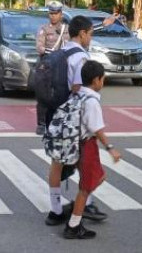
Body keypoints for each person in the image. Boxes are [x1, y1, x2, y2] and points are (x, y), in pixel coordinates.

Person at [46, 16, 107, 225]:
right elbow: (80, 88)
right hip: (73, 121)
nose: (91, 38)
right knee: (85, 163)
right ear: (82, 34)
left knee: (57, 163)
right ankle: (84, 204)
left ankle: (55, 210)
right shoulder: (80, 57)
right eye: (90, 33)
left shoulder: (62, 50)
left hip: (57, 113)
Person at [63, 61, 122, 239]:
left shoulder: (78, 93)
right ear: (96, 80)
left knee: (97, 178)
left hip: (75, 143)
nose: (102, 82)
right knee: (86, 187)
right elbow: (96, 128)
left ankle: (76, 210)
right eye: (102, 79)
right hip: (86, 145)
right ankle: (73, 225)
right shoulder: (91, 101)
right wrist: (111, 148)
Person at [35, 1, 70, 135]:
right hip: (47, 64)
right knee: (43, 94)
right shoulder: (44, 29)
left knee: (62, 93)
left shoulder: (66, 29)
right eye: (51, 13)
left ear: (61, 14)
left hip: (62, 65)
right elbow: (39, 46)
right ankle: (41, 123)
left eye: (56, 13)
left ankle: (60, 121)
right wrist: (45, 50)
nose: (53, 16)